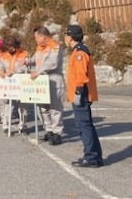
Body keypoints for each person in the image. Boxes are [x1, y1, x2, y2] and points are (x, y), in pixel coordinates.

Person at [65, 25, 103, 167]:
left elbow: (81, 75)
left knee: (84, 126)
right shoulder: (79, 51)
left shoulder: (79, 53)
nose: (65, 38)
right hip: (82, 93)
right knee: (88, 126)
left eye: (66, 35)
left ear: (70, 36)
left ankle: (91, 157)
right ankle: (96, 156)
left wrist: (78, 93)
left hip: (81, 94)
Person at [30, 27, 65, 145]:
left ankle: (57, 133)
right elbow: (34, 60)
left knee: (55, 108)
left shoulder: (55, 46)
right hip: (41, 82)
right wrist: (27, 61)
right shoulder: (40, 48)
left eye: (36, 37)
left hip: (54, 80)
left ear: (43, 36)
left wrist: (38, 72)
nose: (35, 40)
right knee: (43, 108)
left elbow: (53, 63)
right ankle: (48, 130)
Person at [0, 36, 29, 135]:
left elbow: (26, 67)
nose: (11, 48)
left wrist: (14, 72)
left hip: (21, 84)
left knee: (23, 107)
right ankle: (5, 125)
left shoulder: (24, 54)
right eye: (9, 46)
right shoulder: (4, 55)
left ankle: (23, 125)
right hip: (9, 85)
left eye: (13, 46)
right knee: (8, 106)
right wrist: (1, 70)